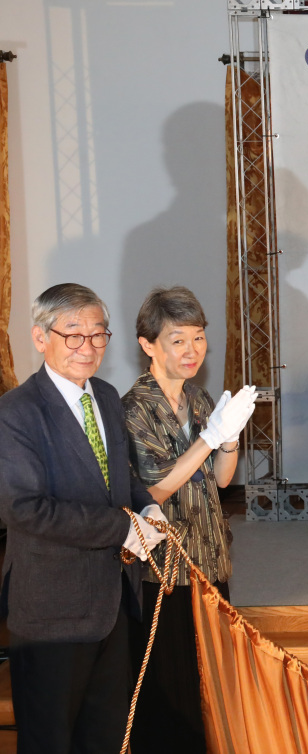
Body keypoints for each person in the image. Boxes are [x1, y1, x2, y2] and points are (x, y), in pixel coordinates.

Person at [0, 283, 167, 753]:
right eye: (73, 335)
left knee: (108, 736)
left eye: (98, 335)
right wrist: (125, 528)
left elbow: (120, 478)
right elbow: (23, 507)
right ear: (40, 338)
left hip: (113, 604)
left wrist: (147, 505)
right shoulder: (15, 413)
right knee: (51, 740)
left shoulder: (108, 397)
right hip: (52, 610)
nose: (87, 347)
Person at [121, 286, 256, 753]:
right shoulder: (134, 409)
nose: (192, 350)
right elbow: (155, 489)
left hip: (210, 558)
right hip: (165, 570)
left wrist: (231, 438)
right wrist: (210, 436)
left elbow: (220, 480)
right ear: (148, 344)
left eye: (198, 338)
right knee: (172, 686)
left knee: (212, 679)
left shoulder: (198, 399)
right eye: (178, 340)